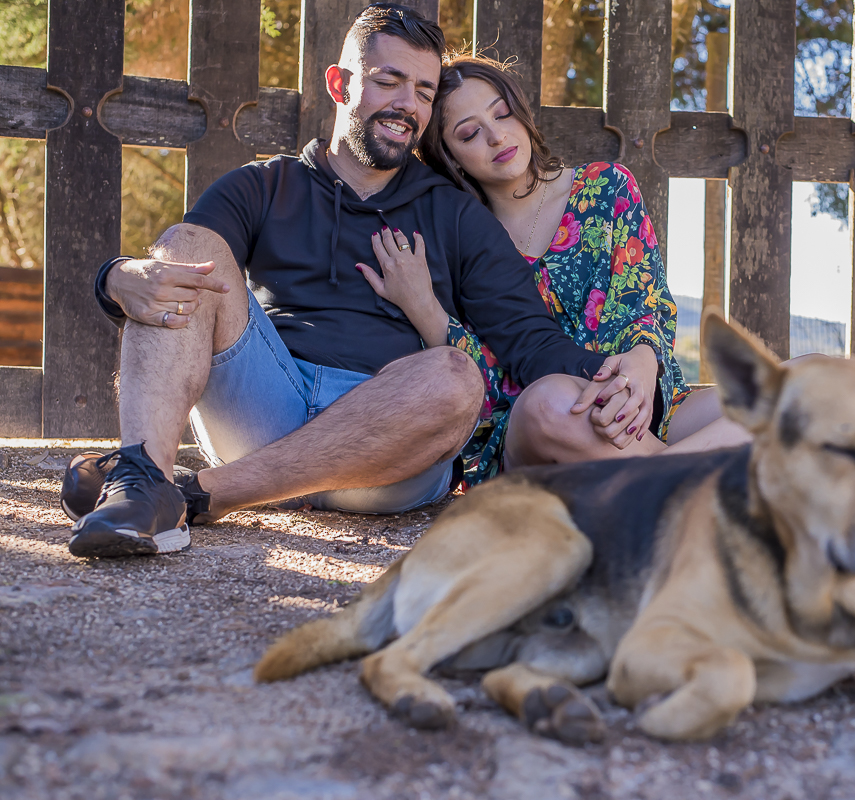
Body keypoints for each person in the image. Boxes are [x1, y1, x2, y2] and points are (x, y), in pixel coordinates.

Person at [63, 4, 649, 558]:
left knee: (454, 376)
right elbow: (169, 272)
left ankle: (193, 494)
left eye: (423, 92)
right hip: (266, 407)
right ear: (341, 84)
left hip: (387, 445)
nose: (408, 105)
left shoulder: (455, 215)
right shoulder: (266, 185)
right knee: (188, 248)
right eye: (389, 81)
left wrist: (623, 369)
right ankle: (142, 483)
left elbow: (531, 341)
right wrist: (114, 278)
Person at [363, 55, 750, 483]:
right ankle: (705, 472)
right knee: (550, 400)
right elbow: (483, 382)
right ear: (450, 157)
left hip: (644, 408)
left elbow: (645, 302)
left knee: (812, 380)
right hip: (546, 426)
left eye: (502, 113)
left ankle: (670, 479)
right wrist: (423, 308)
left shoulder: (607, 186)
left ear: (522, 113)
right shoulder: (462, 237)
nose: (496, 136)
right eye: (470, 133)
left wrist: (641, 364)